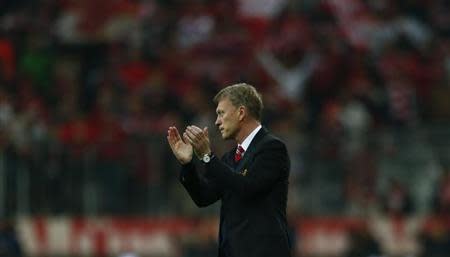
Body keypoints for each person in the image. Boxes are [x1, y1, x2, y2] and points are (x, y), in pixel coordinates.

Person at [167, 83, 292, 257]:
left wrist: (207, 156)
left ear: (241, 113)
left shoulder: (272, 148)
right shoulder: (230, 158)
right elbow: (203, 197)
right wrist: (187, 164)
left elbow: (247, 188)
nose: (217, 121)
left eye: (221, 113)